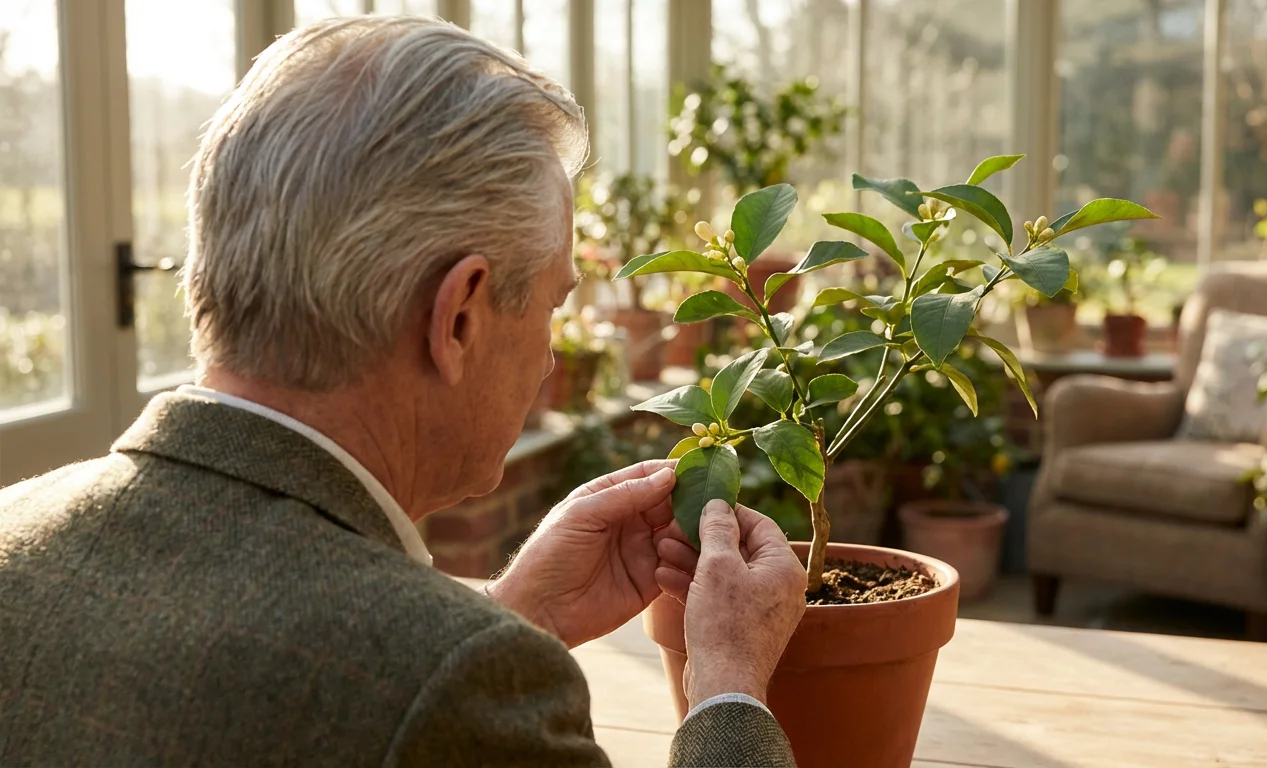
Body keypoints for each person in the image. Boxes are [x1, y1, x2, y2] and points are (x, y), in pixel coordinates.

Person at [0, 16, 806, 767]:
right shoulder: (458, 683)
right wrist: (728, 687)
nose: (550, 361)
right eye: (554, 307)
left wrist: (511, 615)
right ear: (457, 317)